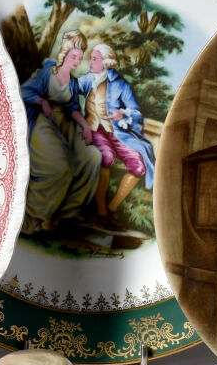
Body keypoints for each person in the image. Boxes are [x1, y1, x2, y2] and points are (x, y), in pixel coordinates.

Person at [16, 32, 100, 234]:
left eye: (80, 58)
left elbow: (73, 108)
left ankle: (64, 214)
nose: (77, 62)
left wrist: (85, 126)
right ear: (65, 54)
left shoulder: (72, 82)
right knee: (60, 168)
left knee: (92, 158)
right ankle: (37, 216)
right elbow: (24, 91)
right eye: (74, 57)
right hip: (44, 121)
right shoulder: (47, 72)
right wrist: (41, 101)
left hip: (67, 123)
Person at [74, 43, 156, 230]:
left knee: (139, 166)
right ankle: (101, 212)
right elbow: (69, 89)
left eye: (94, 59)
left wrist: (122, 114)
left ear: (105, 62)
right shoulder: (88, 79)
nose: (90, 62)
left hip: (117, 132)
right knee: (107, 158)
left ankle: (111, 208)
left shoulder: (120, 85)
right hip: (94, 128)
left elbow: (135, 111)